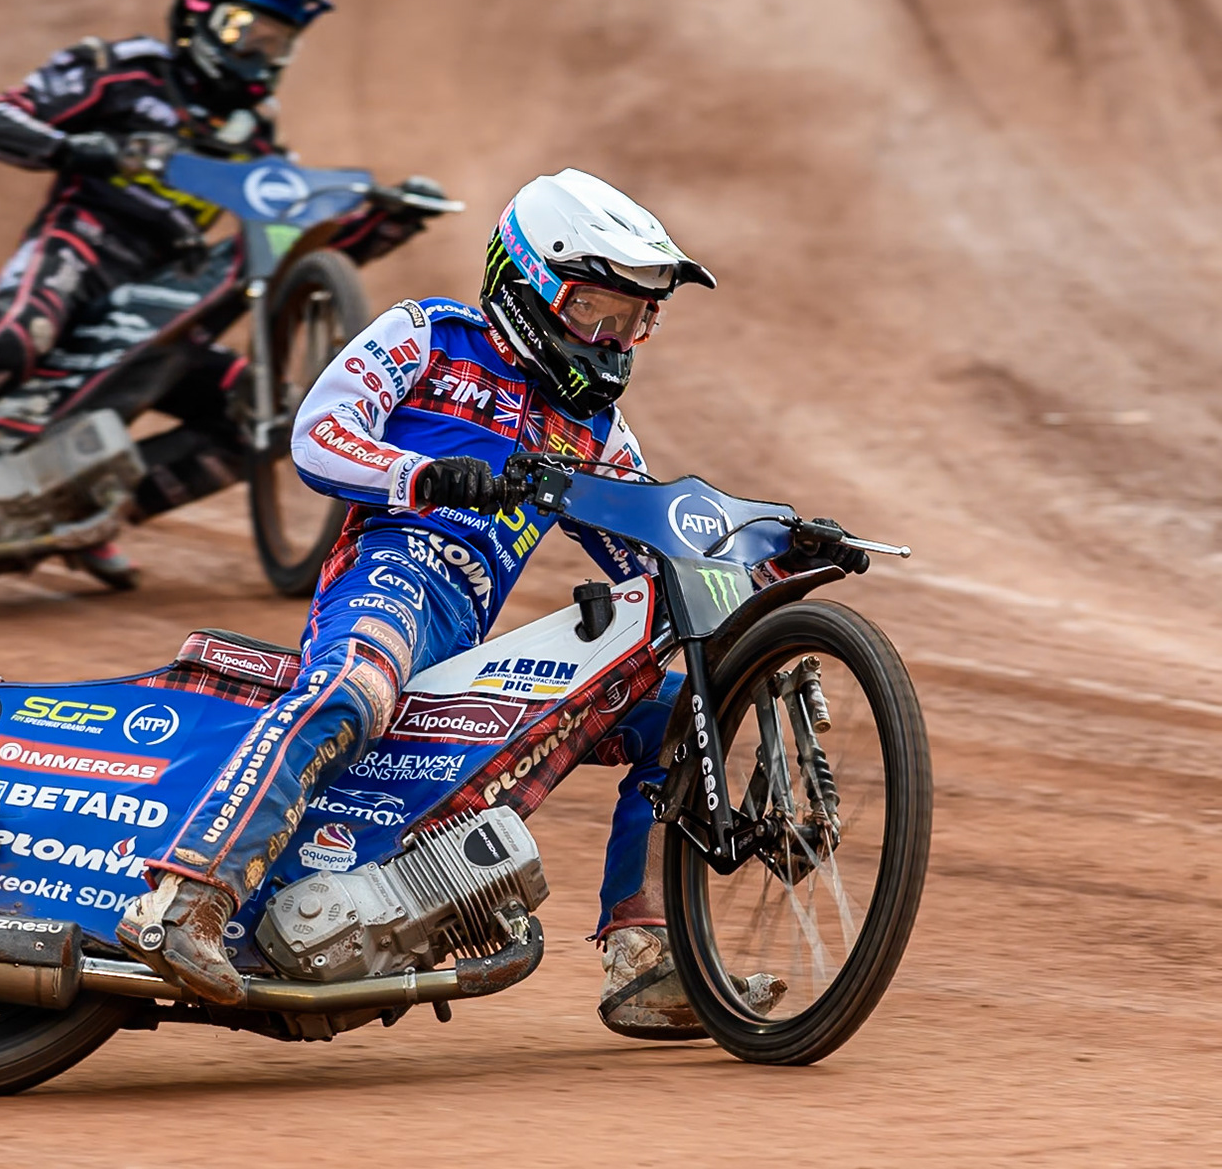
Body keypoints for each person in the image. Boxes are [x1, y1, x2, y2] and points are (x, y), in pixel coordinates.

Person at [119, 169, 868, 1037]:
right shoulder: (430, 335)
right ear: (527, 286)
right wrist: (423, 475)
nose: (613, 340)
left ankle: (648, 955)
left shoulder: (596, 432)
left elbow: (659, 552)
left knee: (687, 712)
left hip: (470, 640)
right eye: (597, 313)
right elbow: (318, 434)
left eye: (634, 321)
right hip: (392, 574)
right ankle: (190, 897)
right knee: (355, 688)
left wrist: (776, 552)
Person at [0, 0, 438, 584]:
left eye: (276, 41)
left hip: (163, 290)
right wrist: (82, 149)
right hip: (80, 244)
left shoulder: (254, 132)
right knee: (19, 332)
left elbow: (289, 246)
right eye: (244, 30)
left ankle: (87, 514)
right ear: (195, 18)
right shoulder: (121, 69)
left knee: (254, 412)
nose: (258, 53)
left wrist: (388, 221)